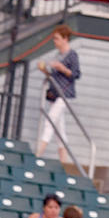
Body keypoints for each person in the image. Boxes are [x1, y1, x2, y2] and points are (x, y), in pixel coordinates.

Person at [36, 25, 80, 163]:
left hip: (64, 94)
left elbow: (76, 73)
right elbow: (53, 75)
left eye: (57, 39)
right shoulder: (58, 55)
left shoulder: (72, 55)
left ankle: (38, 153)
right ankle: (63, 161)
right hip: (55, 93)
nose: (55, 41)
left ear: (65, 39)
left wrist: (63, 68)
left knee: (50, 122)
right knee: (60, 130)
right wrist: (45, 71)